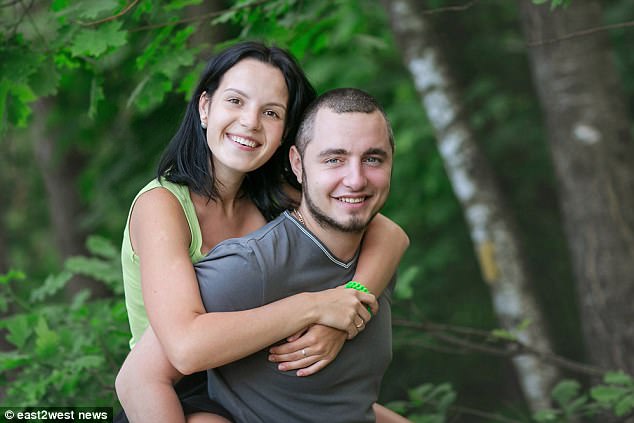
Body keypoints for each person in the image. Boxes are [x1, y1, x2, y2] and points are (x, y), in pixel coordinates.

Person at [115, 42, 409, 422]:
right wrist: (315, 307)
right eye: (236, 101)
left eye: (270, 112)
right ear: (205, 107)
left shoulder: (272, 196)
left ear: (286, 132)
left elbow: (388, 234)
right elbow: (184, 347)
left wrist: (347, 310)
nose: (250, 122)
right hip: (177, 388)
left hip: (255, 376)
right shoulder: (163, 206)